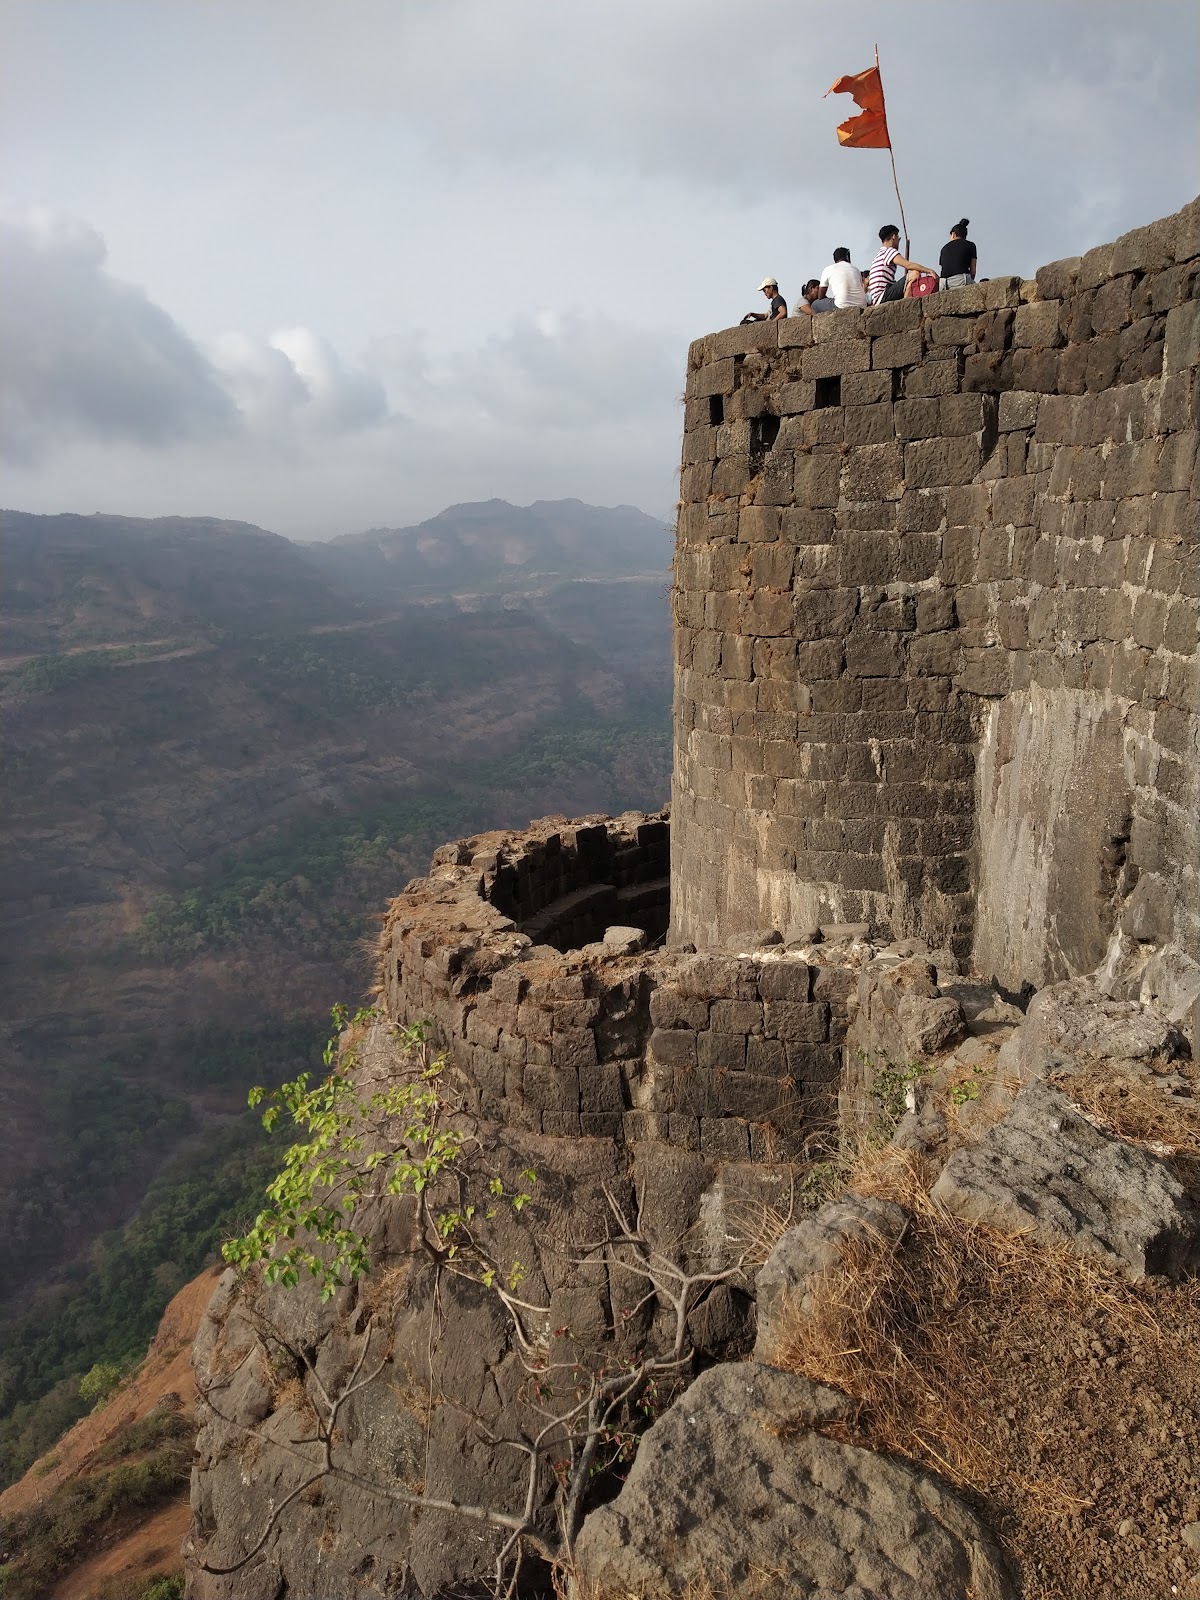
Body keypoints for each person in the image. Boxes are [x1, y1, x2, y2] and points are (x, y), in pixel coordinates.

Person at [868, 225, 936, 304]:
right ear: (893, 236)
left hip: (877, 298)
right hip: (882, 296)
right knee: (915, 273)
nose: (898, 242)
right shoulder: (889, 251)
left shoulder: (879, 254)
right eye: (898, 238)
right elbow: (908, 265)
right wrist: (929, 271)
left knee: (907, 280)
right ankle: (905, 305)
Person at [939, 218, 977, 289]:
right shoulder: (971, 245)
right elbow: (973, 271)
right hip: (961, 280)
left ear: (953, 234)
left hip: (943, 283)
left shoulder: (944, 248)